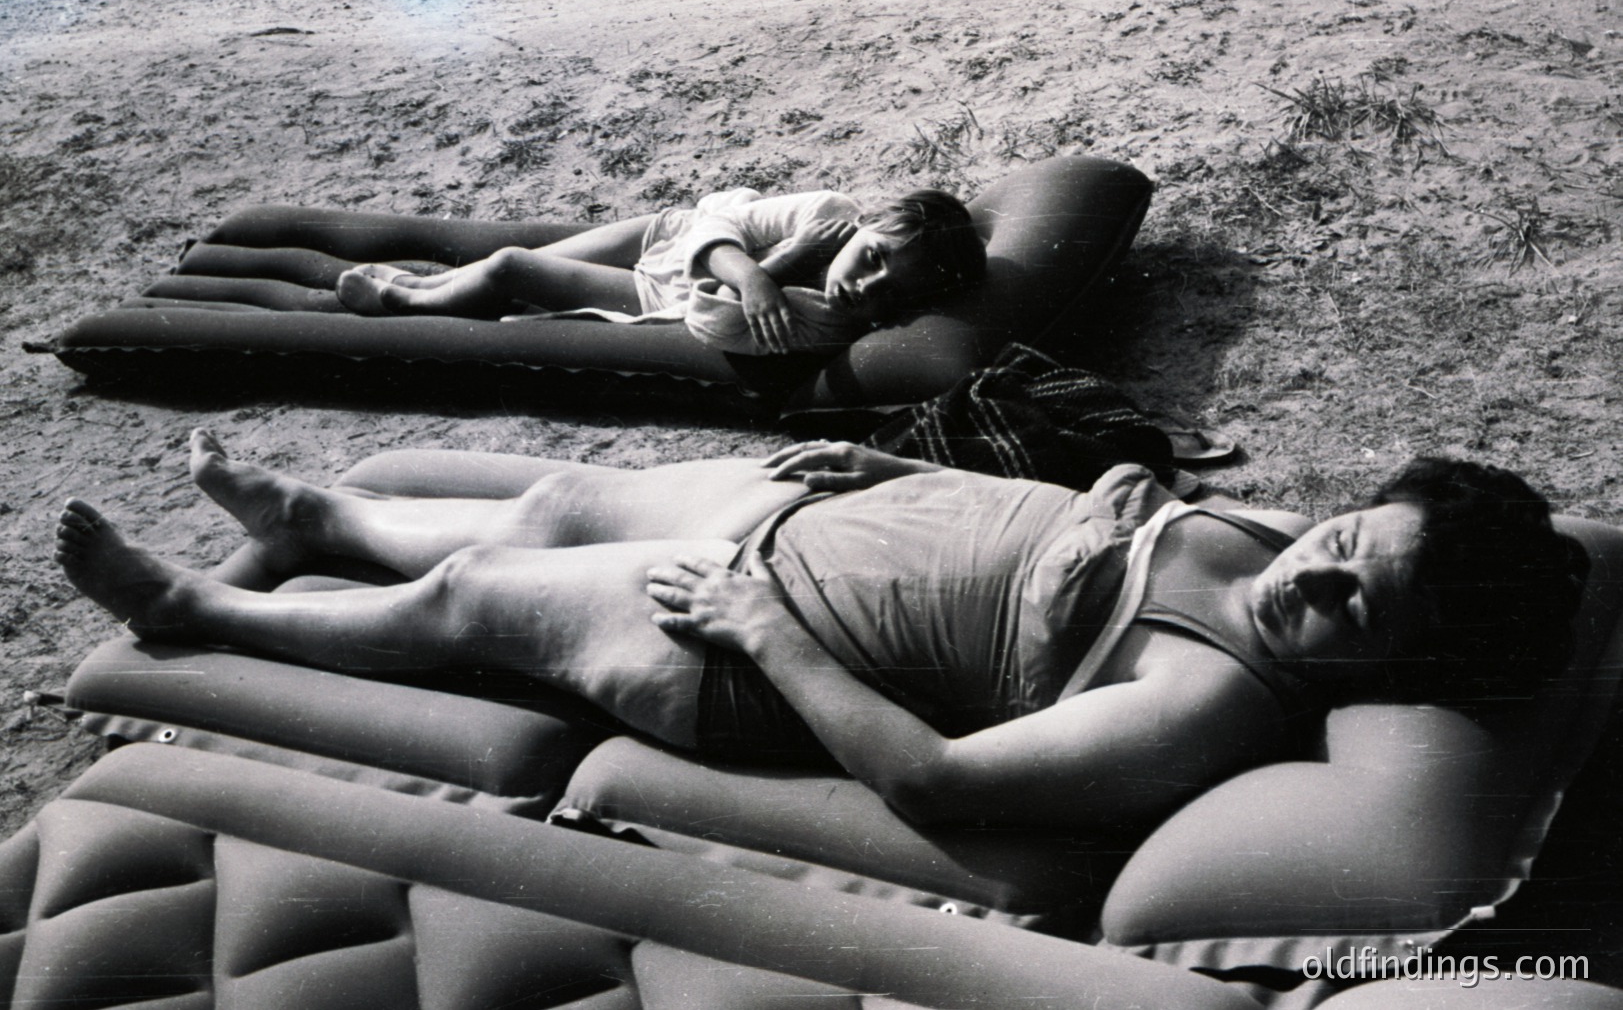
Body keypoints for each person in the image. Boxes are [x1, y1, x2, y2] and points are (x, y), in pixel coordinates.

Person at [54, 433, 1586, 829]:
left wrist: (758, 626)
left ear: (1389, 667)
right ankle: (326, 519)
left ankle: (197, 614)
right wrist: (909, 474)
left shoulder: (1204, 703)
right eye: (1337, 543)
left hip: (751, 649)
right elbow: (1073, 531)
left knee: (470, 605)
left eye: (1346, 608)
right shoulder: (1272, 544)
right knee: (557, 496)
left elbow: (934, 783)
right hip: (804, 531)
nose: (1306, 579)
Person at [329, 187, 986, 356]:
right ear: (866, 225)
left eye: (889, 292)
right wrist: (757, 274)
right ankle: (423, 282)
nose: (866, 283)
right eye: (871, 257)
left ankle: (403, 304)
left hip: (660, 291)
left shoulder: (832, 317)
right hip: (669, 234)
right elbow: (716, 228)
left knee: (509, 269)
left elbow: (712, 312)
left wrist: (775, 269)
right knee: (508, 266)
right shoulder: (828, 213)